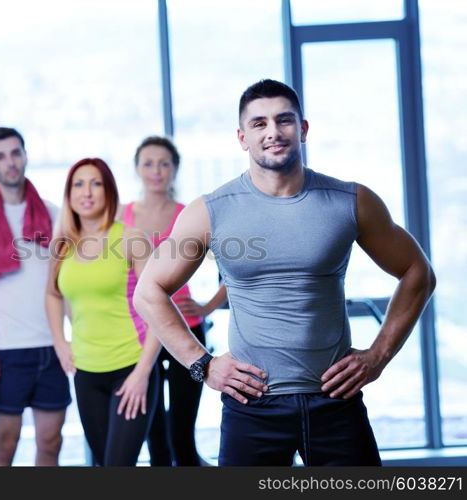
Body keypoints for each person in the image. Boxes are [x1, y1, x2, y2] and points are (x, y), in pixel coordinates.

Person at [133, 79, 436, 466]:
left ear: (303, 128)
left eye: (284, 120)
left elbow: (417, 272)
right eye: (259, 124)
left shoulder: (350, 201)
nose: (273, 132)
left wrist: (378, 355)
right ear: (242, 137)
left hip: (335, 402)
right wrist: (203, 364)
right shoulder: (211, 210)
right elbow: (149, 291)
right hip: (252, 406)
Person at [0, 127, 71, 466]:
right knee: (5, 445)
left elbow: (66, 283)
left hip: (51, 347)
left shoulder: (54, 215)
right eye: (1, 156)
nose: (10, 162)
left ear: (25, 156)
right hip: (6, 350)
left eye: (15, 153)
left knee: (51, 443)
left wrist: (70, 339)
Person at [45, 158, 160, 466]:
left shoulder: (131, 239)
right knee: (104, 464)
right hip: (86, 372)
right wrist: (60, 342)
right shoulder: (63, 246)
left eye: (96, 183)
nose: (87, 192)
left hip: (131, 367)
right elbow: (52, 294)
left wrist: (142, 373)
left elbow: (160, 310)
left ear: (109, 191)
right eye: (78, 184)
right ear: (69, 194)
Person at [120, 136, 226, 466]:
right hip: (138, 334)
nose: (156, 170)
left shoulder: (189, 214)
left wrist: (208, 306)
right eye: (148, 163)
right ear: (137, 169)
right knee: (154, 436)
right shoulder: (120, 216)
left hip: (187, 329)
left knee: (181, 433)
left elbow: (232, 271)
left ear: (175, 169)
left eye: (164, 163)